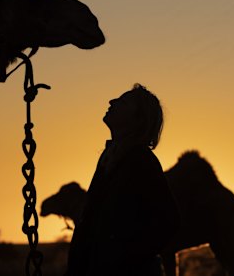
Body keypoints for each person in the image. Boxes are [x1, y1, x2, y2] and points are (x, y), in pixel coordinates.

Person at [66, 84, 180, 276]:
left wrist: (124, 260)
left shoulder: (141, 161)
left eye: (123, 101)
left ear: (137, 118)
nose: (112, 102)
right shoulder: (109, 158)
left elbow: (168, 222)